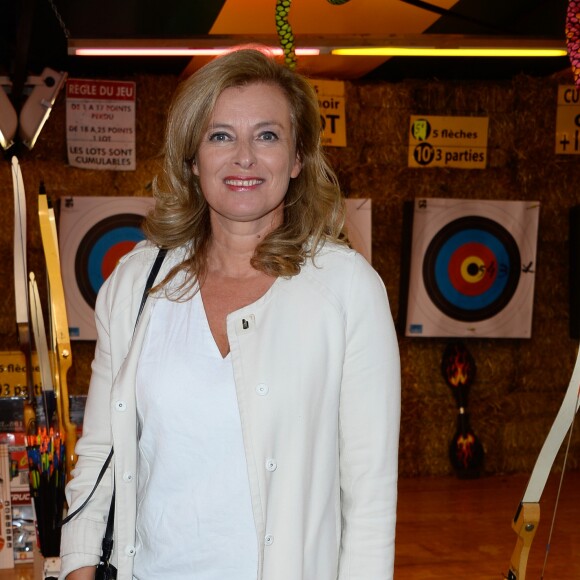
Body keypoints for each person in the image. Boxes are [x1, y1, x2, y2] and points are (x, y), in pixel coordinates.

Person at [60, 47, 401, 580]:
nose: (244, 157)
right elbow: (101, 448)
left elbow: (370, 495)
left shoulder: (347, 289)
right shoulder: (135, 283)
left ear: (297, 159)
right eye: (220, 135)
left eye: (267, 135)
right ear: (192, 159)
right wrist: (79, 562)